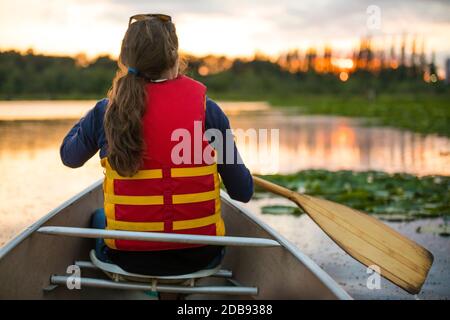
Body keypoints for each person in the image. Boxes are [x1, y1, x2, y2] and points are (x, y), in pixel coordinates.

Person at [60, 14, 253, 276]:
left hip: (127, 259)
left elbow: (69, 157)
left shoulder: (105, 112)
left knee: (97, 217)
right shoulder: (209, 111)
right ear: (174, 58)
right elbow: (242, 191)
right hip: (201, 257)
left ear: (126, 60)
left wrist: (95, 114)